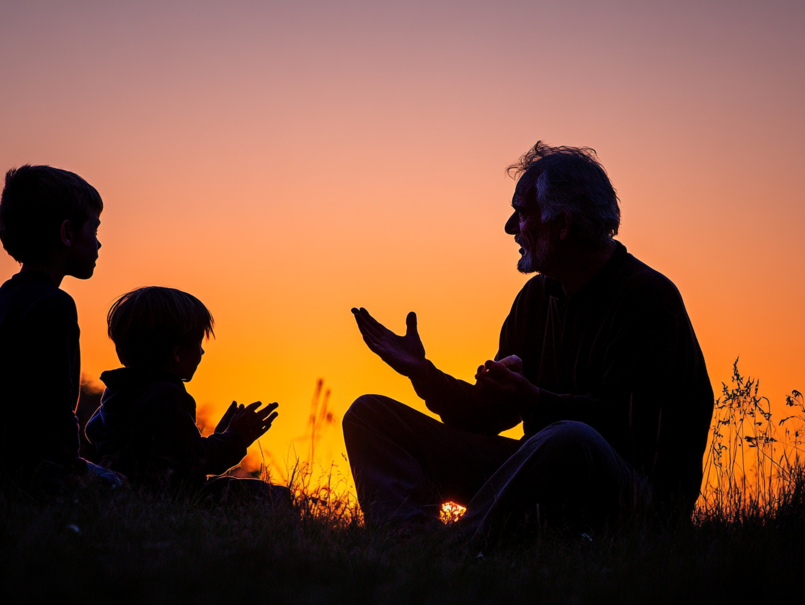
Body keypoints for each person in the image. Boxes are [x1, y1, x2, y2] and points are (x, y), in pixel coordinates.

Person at [344, 142, 713, 537]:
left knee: (571, 438)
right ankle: (406, 540)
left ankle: (455, 547)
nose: (510, 227)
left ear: (563, 225)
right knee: (369, 416)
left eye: (521, 213)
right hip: (540, 476)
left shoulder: (648, 299)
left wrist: (535, 400)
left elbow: (630, 429)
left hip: (633, 501)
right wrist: (423, 373)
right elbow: (486, 417)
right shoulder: (536, 299)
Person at [0, 165, 123, 496]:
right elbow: (53, 410)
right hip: (32, 479)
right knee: (126, 487)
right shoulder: (54, 305)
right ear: (67, 233)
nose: (98, 243)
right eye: (93, 229)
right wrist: (72, 469)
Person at [85, 286, 289, 505]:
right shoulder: (167, 395)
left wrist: (220, 436)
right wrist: (236, 437)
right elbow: (194, 461)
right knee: (274, 496)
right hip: (167, 502)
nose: (202, 352)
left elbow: (175, 452)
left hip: (128, 500)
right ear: (176, 353)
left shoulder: (116, 394)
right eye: (198, 343)